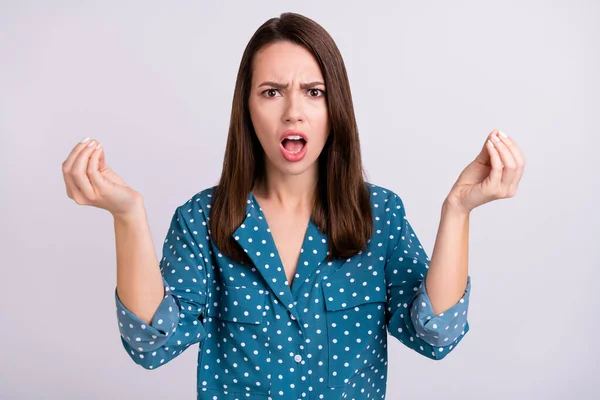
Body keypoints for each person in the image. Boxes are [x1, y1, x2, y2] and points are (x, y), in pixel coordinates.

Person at [61, 11, 525, 400]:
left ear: (334, 107)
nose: (293, 111)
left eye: (313, 91)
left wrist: (458, 210)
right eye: (271, 91)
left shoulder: (378, 214)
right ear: (247, 108)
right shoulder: (201, 220)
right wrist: (127, 216)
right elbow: (149, 344)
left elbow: (437, 334)